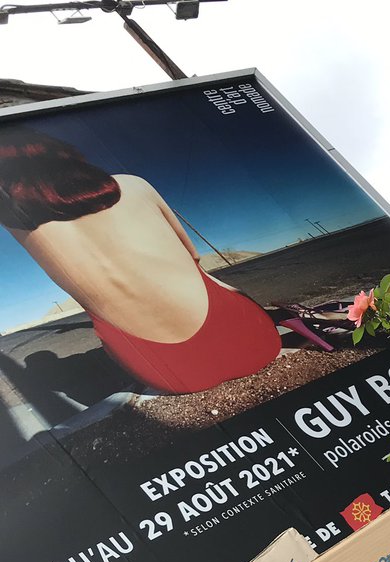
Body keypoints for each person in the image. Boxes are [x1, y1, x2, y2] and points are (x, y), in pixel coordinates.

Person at [0, 125, 330, 395]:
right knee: (210, 285)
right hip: (255, 343)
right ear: (64, 156)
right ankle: (282, 317)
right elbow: (194, 257)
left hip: (169, 374)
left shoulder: (18, 223)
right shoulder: (133, 185)